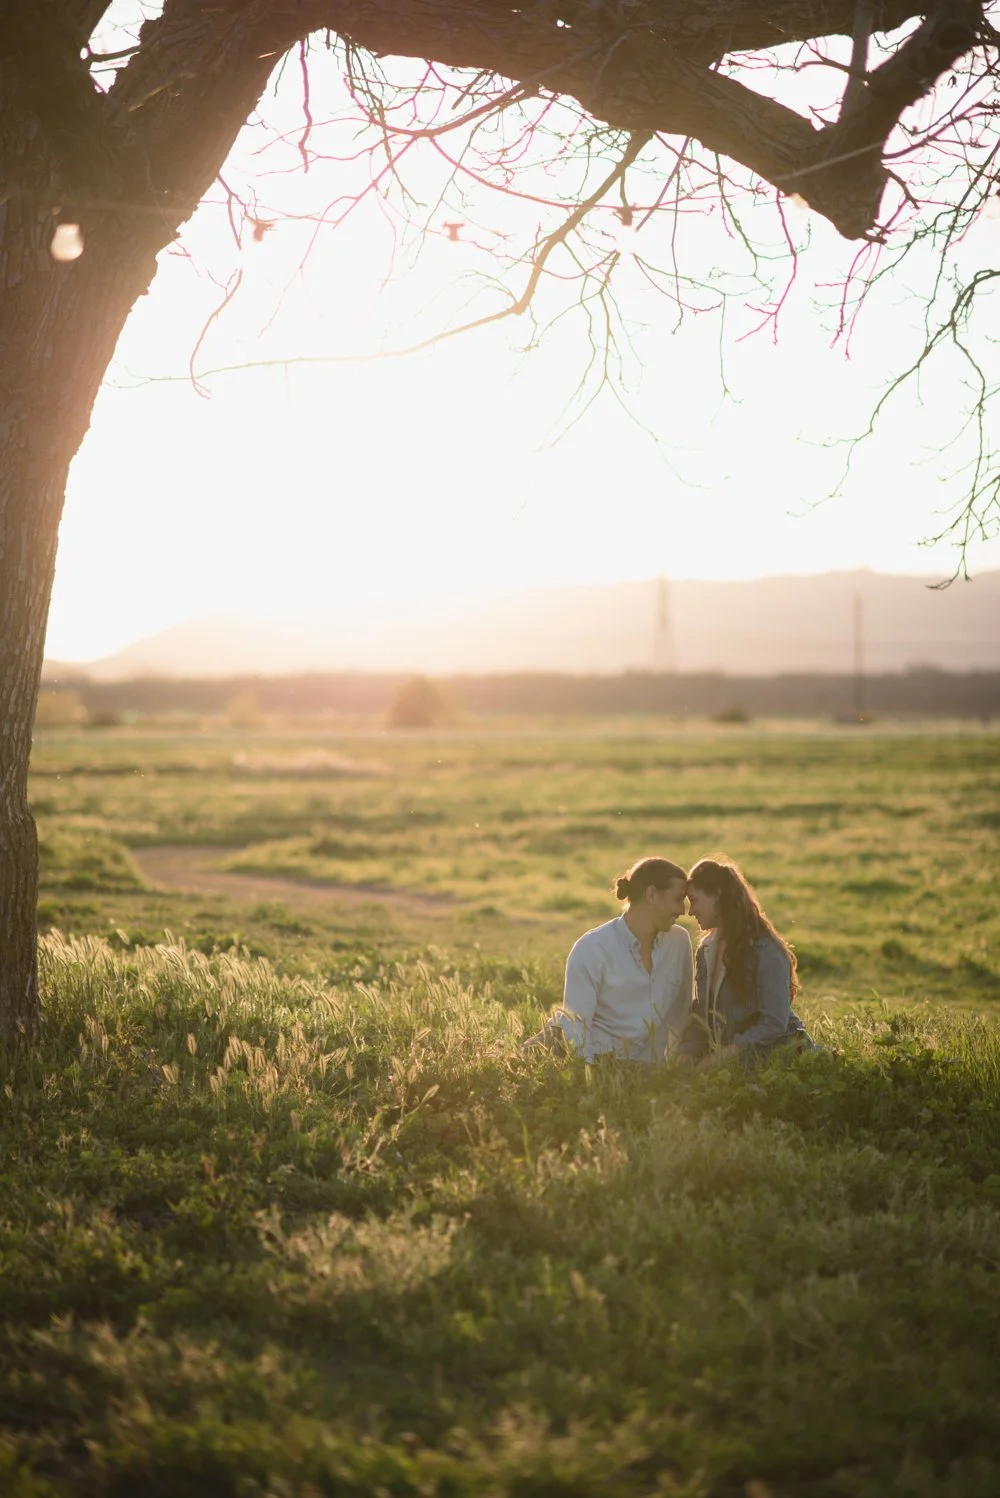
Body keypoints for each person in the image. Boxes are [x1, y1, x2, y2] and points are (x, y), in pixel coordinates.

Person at [524, 856, 694, 1064]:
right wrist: (588, 1077)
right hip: (602, 1063)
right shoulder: (592, 948)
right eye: (678, 899)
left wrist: (674, 1072)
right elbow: (575, 1024)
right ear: (652, 894)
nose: (682, 911)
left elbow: (681, 1014)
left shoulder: (679, 942)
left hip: (652, 1069)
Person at [676, 857, 811, 1070]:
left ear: (718, 894)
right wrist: (687, 1051)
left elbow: (774, 1022)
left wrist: (725, 1055)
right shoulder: (706, 949)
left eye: (694, 900)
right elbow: (701, 1009)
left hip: (781, 1059)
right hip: (735, 1064)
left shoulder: (766, 949)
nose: (690, 911)